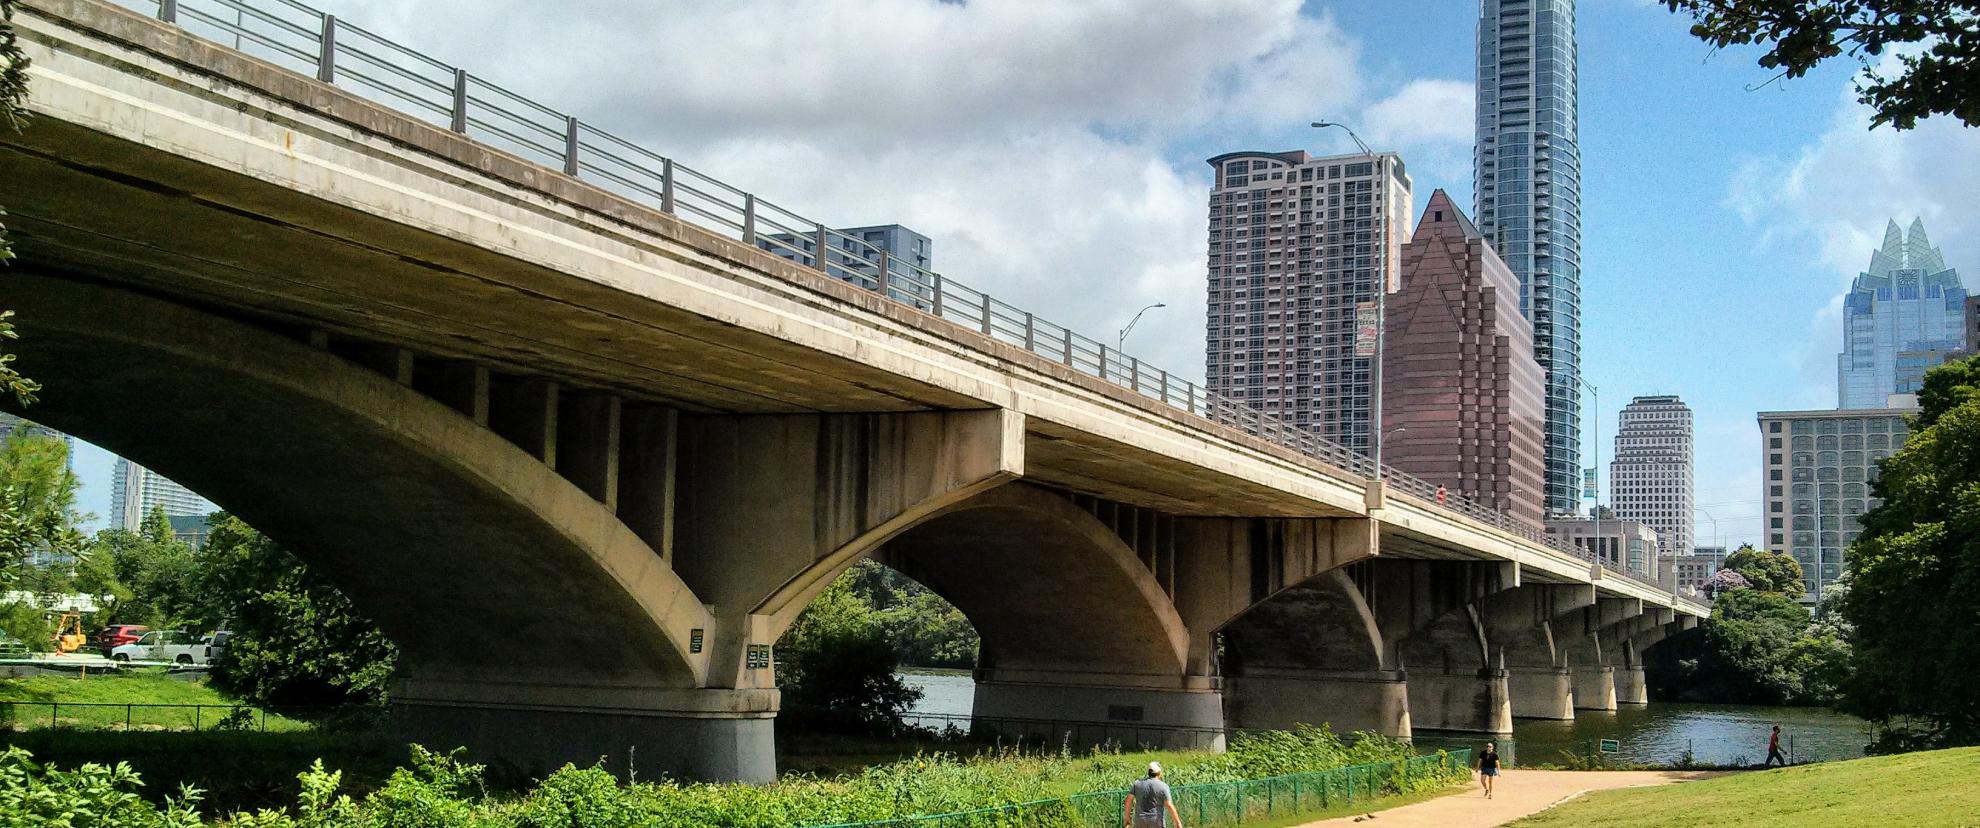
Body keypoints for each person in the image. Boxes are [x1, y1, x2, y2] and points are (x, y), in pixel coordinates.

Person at [1123, 761, 1185, 828]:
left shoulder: (1137, 784)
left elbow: (1128, 801)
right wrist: (1177, 822)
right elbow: (1169, 805)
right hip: (1156, 822)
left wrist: (1127, 817)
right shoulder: (1163, 786)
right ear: (1159, 773)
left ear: (1148, 772)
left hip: (1140, 821)